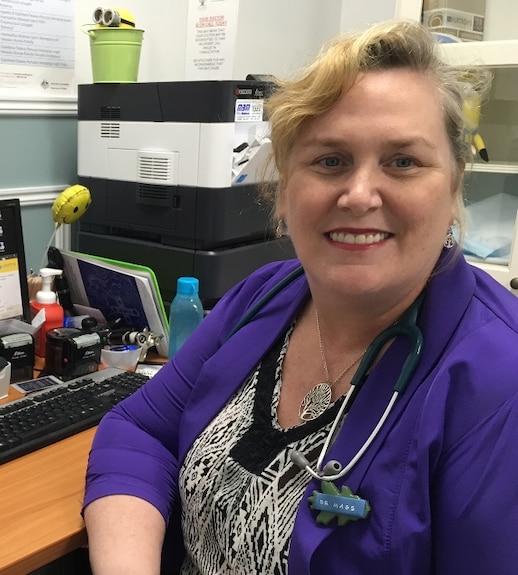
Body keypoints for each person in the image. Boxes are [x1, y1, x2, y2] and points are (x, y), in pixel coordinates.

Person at [82, 19, 518, 575]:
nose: (359, 195)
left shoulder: (502, 381)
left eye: (403, 161)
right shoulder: (265, 297)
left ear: (454, 184)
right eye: (329, 161)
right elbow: (138, 430)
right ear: (284, 191)